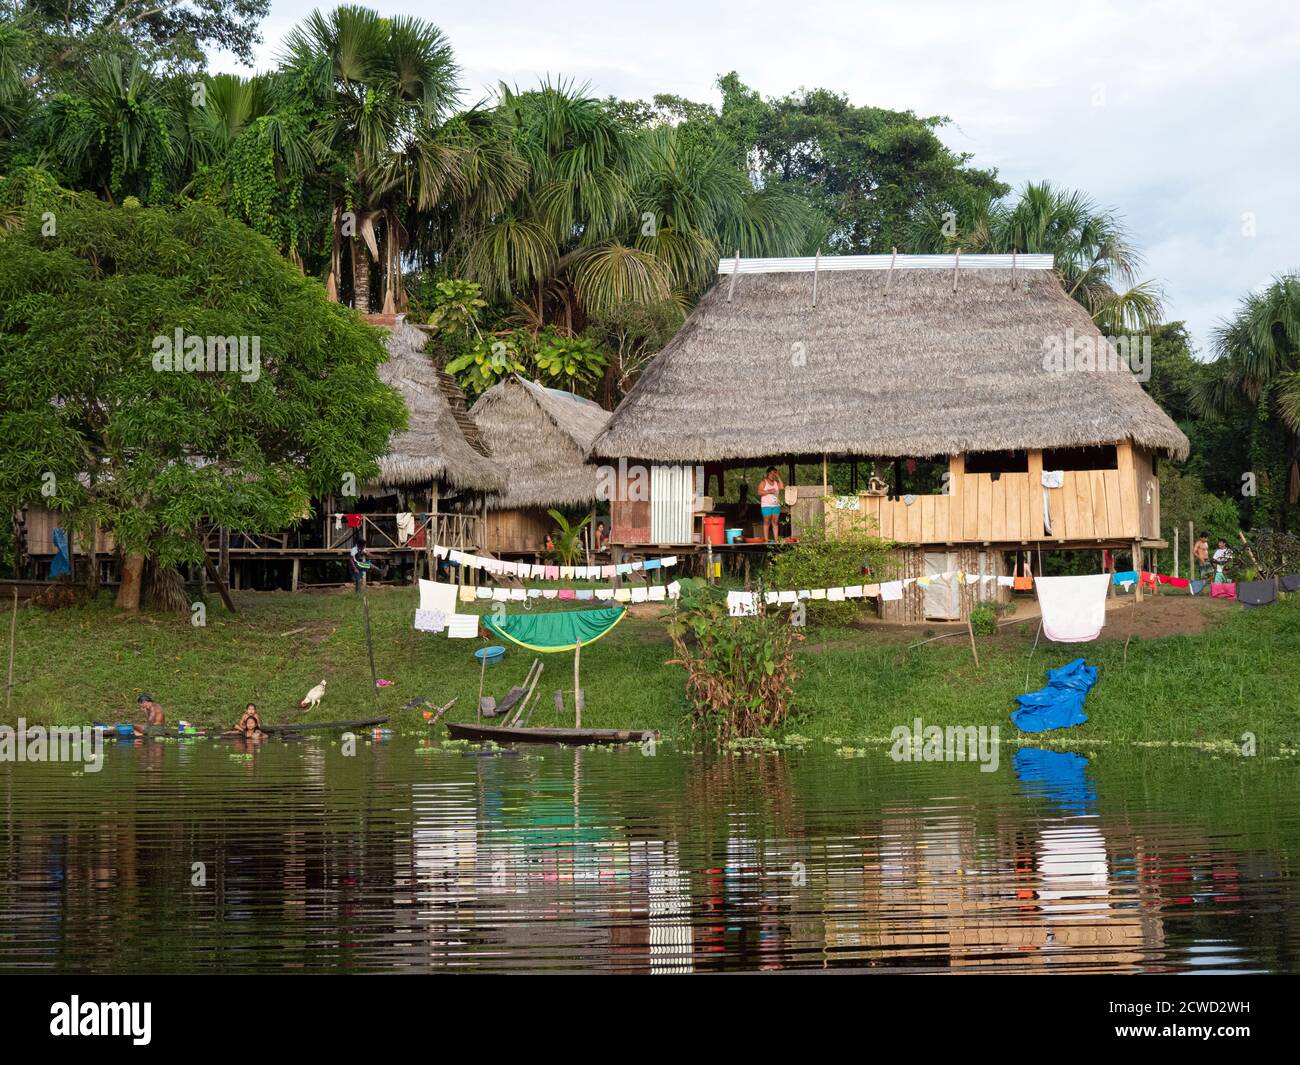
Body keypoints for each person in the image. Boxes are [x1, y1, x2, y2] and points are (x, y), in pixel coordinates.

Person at [758, 466, 785, 543]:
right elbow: (759, 492)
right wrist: (769, 491)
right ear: (768, 473)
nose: (773, 475)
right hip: (766, 506)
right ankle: (766, 540)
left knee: (775, 522)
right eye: (771, 473)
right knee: (767, 522)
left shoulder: (776, 483)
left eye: (774, 473)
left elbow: (782, 487)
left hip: (776, 506)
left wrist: (778, 476)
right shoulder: (763, 482)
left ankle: (776, 540)